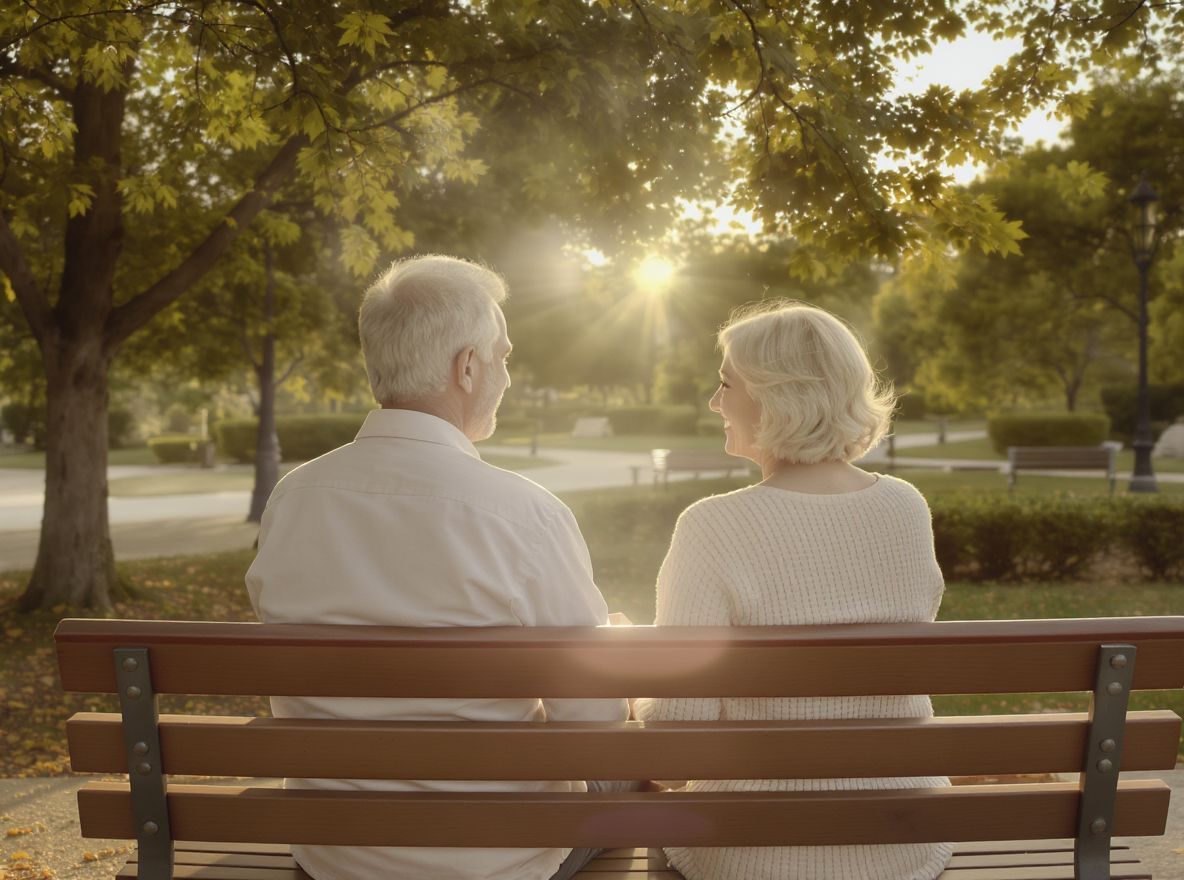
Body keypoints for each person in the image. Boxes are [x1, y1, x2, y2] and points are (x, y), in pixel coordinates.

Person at [245, 255, 629, 880]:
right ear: (468, 367)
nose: (507, 375)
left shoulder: (291, 501)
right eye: (503, 357)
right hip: (500, 859)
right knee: (629, 776)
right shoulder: (524, 514)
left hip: (335, 854)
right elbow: (593, 724)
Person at [634, 301, 953, 880]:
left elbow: (679, 726)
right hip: (903, 841)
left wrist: (634, 697)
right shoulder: (906, 508)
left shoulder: (712, 525)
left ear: (774, 396)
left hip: (746, 851)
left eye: (726, 384)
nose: (714, 402)